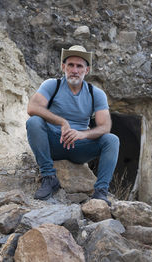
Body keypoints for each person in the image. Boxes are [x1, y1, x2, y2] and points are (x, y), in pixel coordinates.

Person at [26, 45, 119, 206]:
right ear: (63, 67)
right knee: (33, 122)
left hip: (80, 147)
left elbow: (105, 127)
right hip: (54, 142)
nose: (74, 70)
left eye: (79, 66)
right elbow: (32, 108)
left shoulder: (95, 93)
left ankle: (100, 191)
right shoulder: (52, 85)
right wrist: (62, 122)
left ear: (87, 70)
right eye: (70, 65)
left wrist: (83, 134)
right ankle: (49, 178)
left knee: (112, 140)